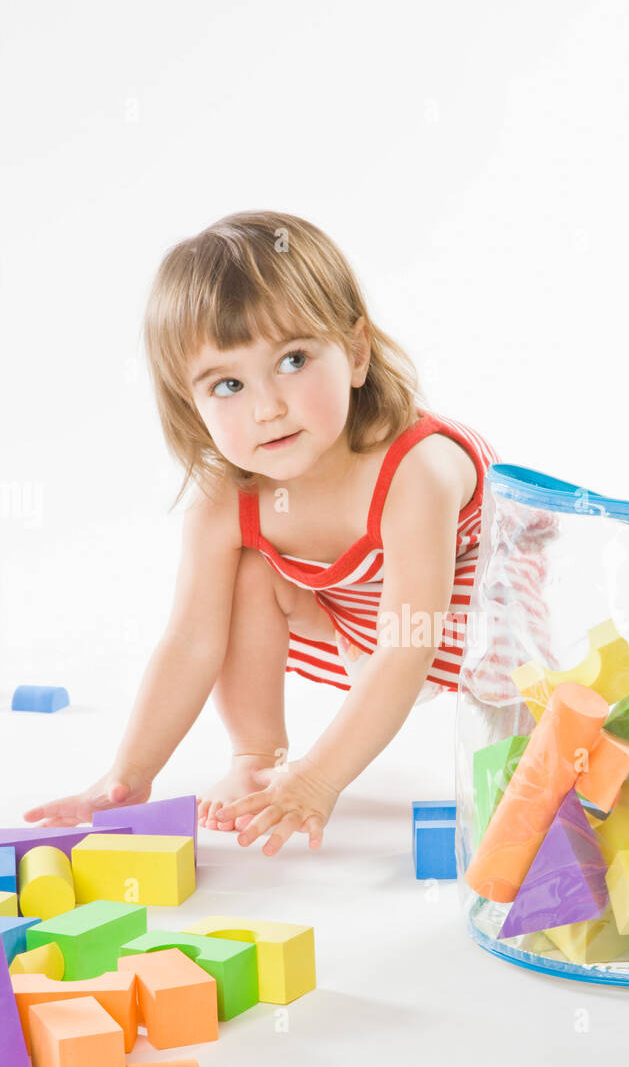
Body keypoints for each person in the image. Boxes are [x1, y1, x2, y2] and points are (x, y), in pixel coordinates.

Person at [22, 210, 522, 855]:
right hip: (358, 633)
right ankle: (256, 757)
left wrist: (318, 779)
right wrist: (125, 777)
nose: (267, 407)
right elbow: (190, 642)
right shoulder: (226, 502)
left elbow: (410, 645)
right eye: (227, 384)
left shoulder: (413, 470)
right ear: (192, 406)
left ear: (357, 353)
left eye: (293, 360)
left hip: (483, 628)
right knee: (249, 572)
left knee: (541, 766)